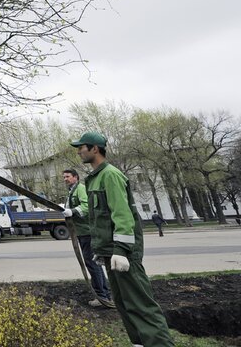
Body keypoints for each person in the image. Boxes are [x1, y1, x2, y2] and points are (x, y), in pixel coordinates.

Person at [71, 131, 173, 347]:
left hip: (122, 253)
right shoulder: (94, 178)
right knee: (124, 303)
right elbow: (100, 218)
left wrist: (122, 249)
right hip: (110, 252)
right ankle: (139, 343)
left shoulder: (110, 175)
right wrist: (102, 249)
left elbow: (122, 213)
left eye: (82, 147)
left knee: (140, 304)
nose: (79, 151)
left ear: (95, 149)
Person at [62, 168, 113, 308]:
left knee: (92, 264)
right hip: (82, 232)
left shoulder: (81, 189)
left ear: (76, 177)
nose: (65, 179)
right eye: (64, 177)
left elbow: (86, 206)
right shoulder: (72, 191)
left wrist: (72, 211)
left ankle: (102, 296)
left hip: (87, 233)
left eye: (67, 176)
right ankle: (104, 295)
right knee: (94, 264)